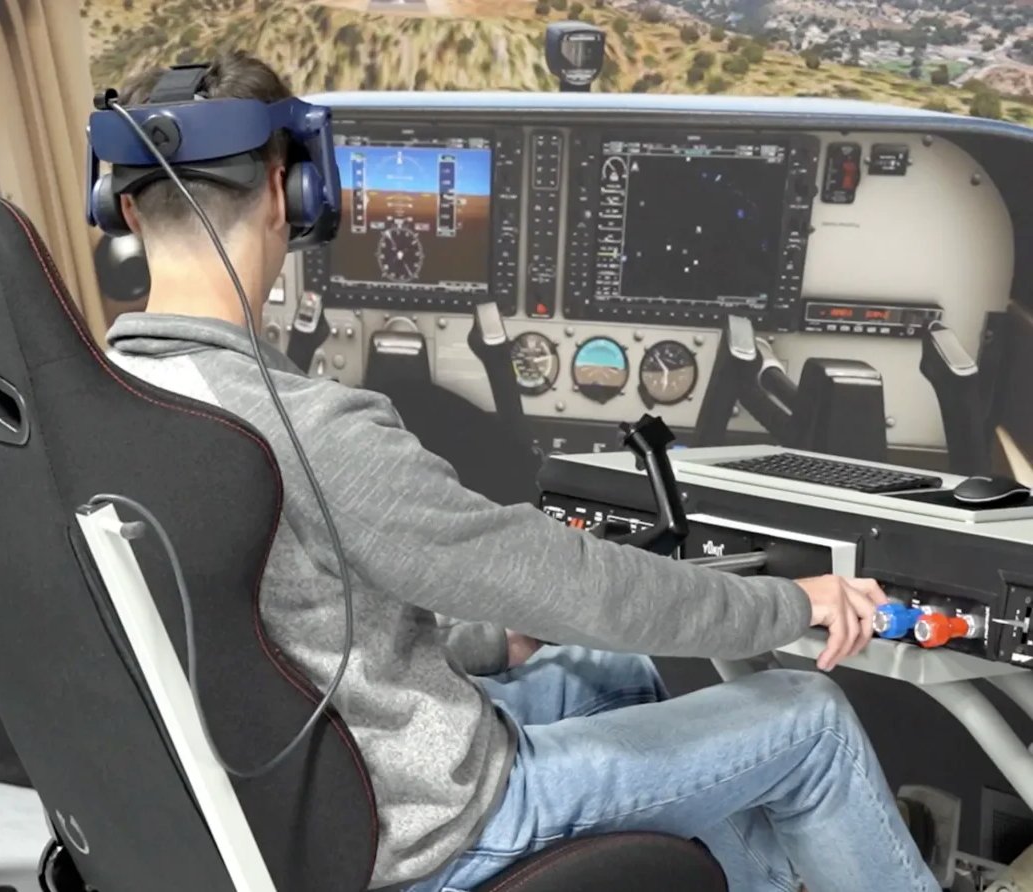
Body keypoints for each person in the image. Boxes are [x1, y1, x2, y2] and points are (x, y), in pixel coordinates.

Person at [103, 52, 940, 892]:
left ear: (124, 209)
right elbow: (576, 587)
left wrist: (481, 637)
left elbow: (278, 618)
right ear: (290, 192)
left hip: (285, 805)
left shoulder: (103, 401)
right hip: (419, 831)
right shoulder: (310, 430)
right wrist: (791, 605)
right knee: (809, 723)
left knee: (613, 676)